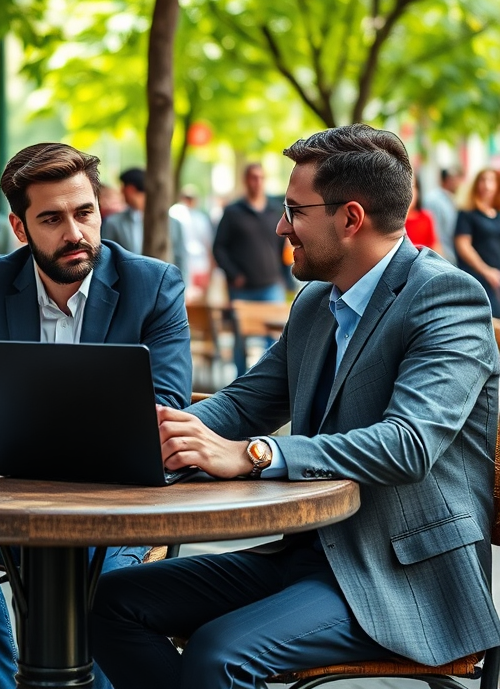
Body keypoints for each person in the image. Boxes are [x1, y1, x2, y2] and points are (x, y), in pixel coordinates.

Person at [90, 124, 500, 689]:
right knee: (110, 601)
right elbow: (242, 403)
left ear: (350, 219)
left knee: (218, 654)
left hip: (405, 578)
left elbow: (408, 446)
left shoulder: (447, 298)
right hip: (312, 554)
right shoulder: (315, 301)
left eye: (294, 210)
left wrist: (256, 454)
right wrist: (141, 433)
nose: (280, 226)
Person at [0, 142, 192, 689]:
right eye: (51, 218)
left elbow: (166, 405)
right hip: (13, 500)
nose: (75, 232)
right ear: (20, 228)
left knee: (104, 597)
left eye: (85, 212)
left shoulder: (152, 286)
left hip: (117, 504)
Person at [212, 163, 286, 376]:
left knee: (274, 339)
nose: (257, 182)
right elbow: (219, 247)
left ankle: (267, 380)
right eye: (253, 177)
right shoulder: (233, 212)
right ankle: (240, 381)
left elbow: (284, 245)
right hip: (242, 289)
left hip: (271, 286)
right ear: (246, 180)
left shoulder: (275, 210)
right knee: (240, 339)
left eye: (261, 177)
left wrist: (283, 274)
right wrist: (233, 274)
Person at [101, 167, 188, 275]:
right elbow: (105, 259)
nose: (121, 192)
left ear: (130, 189)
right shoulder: (113, 222)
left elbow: (181, 258)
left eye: (122, 188)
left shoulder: (173, 223)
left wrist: (182, 287)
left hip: (165, 284)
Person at [455, 168, 500, 317]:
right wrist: (486, 271)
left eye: (491, 180)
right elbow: (463, 246)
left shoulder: (497, 214)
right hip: (478, 278)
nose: (486, 185)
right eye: (483, 180)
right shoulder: (467, 214)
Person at [423, 165, 465, 264]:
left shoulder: (451, 199)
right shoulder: (434, 200)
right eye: (455, 179)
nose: (458, 182)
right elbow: (435, 232)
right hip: (442, 258)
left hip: (451, 256)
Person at [404, 180, 442, 254]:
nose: (408, 192)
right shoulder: (394, 221)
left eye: (412, 186)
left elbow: (435, 246)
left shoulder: (426, 217)